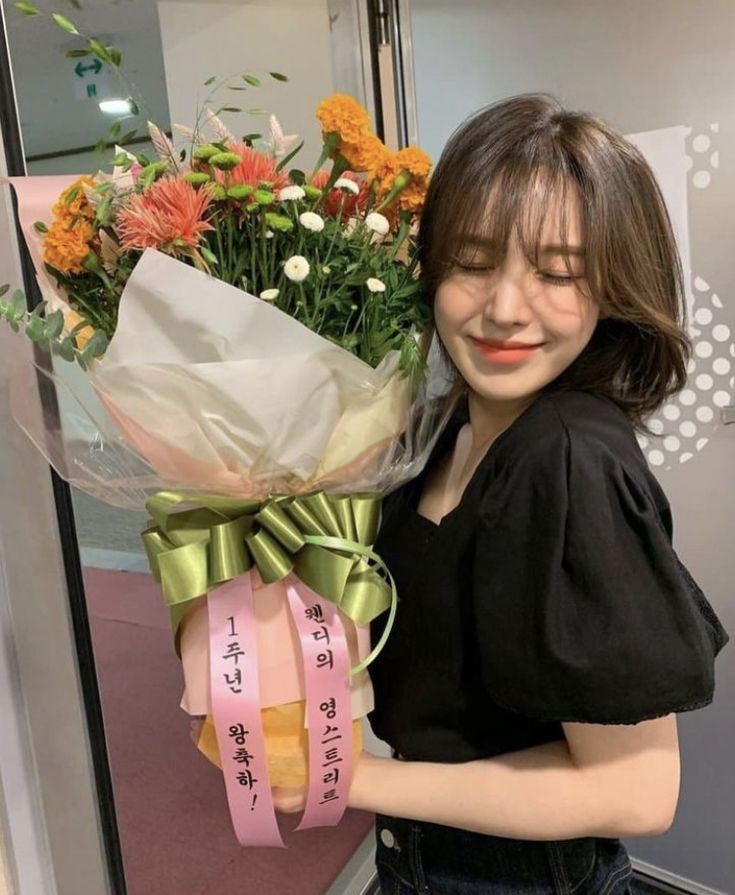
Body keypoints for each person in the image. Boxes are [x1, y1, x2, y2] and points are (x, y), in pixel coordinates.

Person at [275, 93, 730, 894]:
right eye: (474, 262)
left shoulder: (565, 457)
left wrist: (349, 779)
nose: (505, 309)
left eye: (557, 272)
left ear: (612, 285)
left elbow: (633, 791)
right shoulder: (443, 425)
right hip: (421, 861)